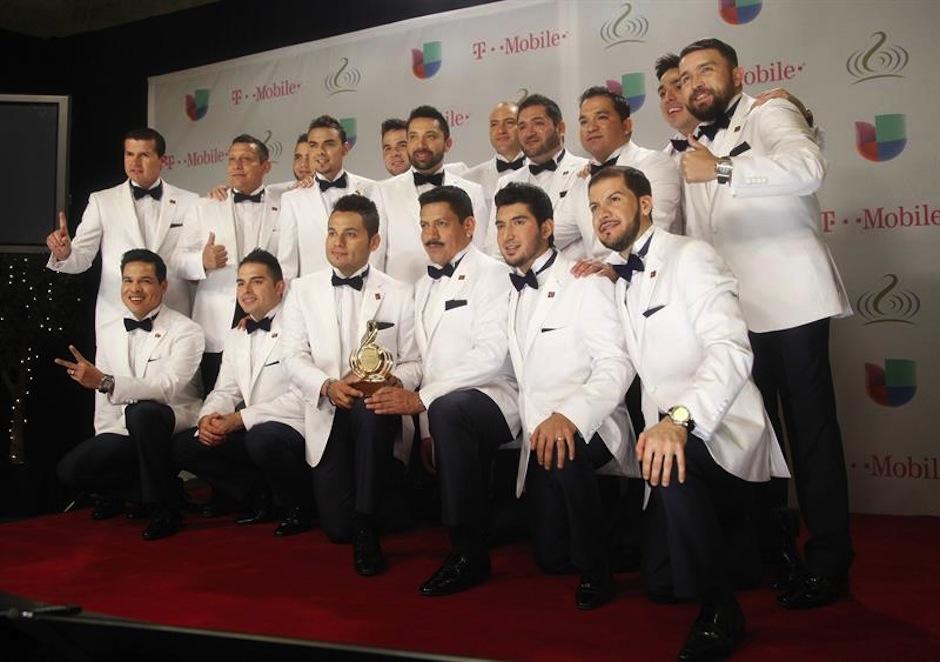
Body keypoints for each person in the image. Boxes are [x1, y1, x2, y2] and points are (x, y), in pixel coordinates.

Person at [677, 38, 853, 610]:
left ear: (736, 74)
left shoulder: (769, 111)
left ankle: (829, 564)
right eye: (685, 77)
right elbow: (706, 240)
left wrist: (725, 168)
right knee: (758, 437)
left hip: (793, 303)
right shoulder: (694, 146)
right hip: (736, 314)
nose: (695, 82)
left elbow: (808, 166)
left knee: (810, 437)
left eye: (707, 69)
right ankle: (773, 554)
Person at [588, 165, 788, 659]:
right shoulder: (622, 280)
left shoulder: (692, 257)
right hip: (671, 440)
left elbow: (732, 349)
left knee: (668, 464)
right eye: (594, 207)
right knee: (660, 584)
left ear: (647, 204)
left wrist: (680, 420)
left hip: (721, 433)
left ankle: (723, 611)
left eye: (614, 200)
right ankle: (745, 543)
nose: (603, 214)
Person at [365, 185, 519, 596]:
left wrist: (423, 402)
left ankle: (469, 554)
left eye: (441, 224)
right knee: (380, 404)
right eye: (424, 225)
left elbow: (492, 354)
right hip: (444, 408)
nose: (430, 234)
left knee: (451, 409)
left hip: (497, 398)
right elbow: (422, 361)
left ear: (469, 226)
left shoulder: (495, 274)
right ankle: (367, 524)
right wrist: (395, 385)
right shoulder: (422, 286)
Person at [494, 182, 634, 609]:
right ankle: (607, 531)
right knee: (551, 558)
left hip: (590, 425)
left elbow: (616, 364)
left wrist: (570, 417)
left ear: (548, 227)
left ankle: (599, 571)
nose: (508, 235)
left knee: (566, 447)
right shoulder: (506, 291)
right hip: (535, 435)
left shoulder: (584, 281)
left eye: (519, 222)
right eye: (500, 225)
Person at [281, 194, 421, 575]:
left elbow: (414, 363)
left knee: (372, 411)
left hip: (378, 412)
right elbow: (292, 357)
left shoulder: (399, 292)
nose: (337, 243)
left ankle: (367, 527)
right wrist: (326, 385)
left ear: (374, 242)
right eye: (331, 233)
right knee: (336, 528)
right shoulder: (301, 290)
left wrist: (393, 380)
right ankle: (375, 509)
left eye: (350, 234)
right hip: (327, 408)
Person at [55, 249, 204, 540]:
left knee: (144, 412)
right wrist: (106, 437)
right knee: (70, 470)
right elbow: (101, 394)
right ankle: (155, 491)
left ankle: (164, 508)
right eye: (128, 280)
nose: (134, 289)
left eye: (145, 281)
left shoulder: (187, 330)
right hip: (127, 425)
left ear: (163, 286)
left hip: (175, 417)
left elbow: (168, 386)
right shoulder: (109, 330)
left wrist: (108, 382)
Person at [171, 249, 309, 536]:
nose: (246, 291)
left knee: (262, 439)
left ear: (279, 287)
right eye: (240, 283)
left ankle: (298, 506)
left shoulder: (301, 327)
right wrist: (208, 418)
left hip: (296, 426)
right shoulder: (236, 334)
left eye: (256, 282)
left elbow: (303, 397)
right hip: (256, 426)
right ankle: (257, 496)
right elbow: (226, 388)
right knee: (185, 446)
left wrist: (240, 419)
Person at [174, 134, 295, 392]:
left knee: (267, 392)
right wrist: (201, 261)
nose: (237, 166)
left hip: (271, 316)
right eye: (232, 160)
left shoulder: (286, 204)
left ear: (266, 167)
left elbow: (289, 263)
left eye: (246, 160)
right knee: (215, 395)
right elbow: (178, 261)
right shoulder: (203, 206)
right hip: (217, 321)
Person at [46, 128, 199, 327]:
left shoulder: (190, 202)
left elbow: (195, 260)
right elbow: (82, 258)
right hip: (116, 316)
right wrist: (65, 254)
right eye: (129, 154)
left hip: (173, 314)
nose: (134, 162)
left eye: (143, 155)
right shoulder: (102, 201)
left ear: (163, 160)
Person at [560, 85, 682, 257]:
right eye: (584, 122)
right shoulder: (581, 181)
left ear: (626, 125)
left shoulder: (655, 163)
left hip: (654, 274)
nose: (591, 127)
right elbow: (552, 235)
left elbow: (654, 230)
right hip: (599, 281)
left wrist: (610, 266)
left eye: (601, 118)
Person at [380, 105, 489, 284]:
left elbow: (481, 252)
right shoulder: (383, 192)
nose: (421, 145)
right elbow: (375, 259)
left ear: (448, 143)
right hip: (404, 300)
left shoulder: (472, 191)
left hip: (460, 297)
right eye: (413, 137)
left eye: (430, 137)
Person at [656, 52, 819, 163]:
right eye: (662, 93)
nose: (668, 98)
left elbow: (804, 162)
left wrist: (801, 116)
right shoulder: (662, 159)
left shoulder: (754, 116)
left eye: (678, 86)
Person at [278, 115, 387, 277]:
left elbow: (379, 247)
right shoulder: (292, 200)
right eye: (313, 145)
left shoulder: (371, 188)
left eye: (329, 144)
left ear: (345, 148)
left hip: (365, 289)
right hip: (313, 295)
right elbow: (286, 264)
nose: (320, 152)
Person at [484, 94, 587, 259]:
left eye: (538, 123)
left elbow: (581, 229)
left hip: (573, 278)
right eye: (522, 126)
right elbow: (494, 248)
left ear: (560, 128)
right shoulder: (506, 182)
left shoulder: (585, 172)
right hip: (518, 282)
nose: (529, 132)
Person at [461, 101, 525, 200]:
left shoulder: (542, 170)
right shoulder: (469, 179)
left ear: (523, 127)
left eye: (509, 123)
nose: (501, 131)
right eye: (494, 124)